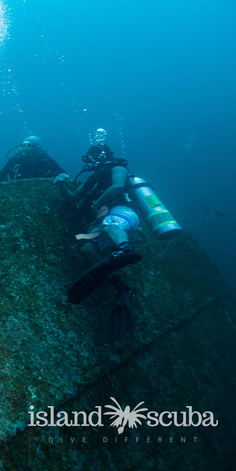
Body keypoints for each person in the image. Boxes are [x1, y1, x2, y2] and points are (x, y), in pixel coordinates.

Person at [53, 142, 142, 340]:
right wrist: (60, 184)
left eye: (92, 156)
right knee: (85, 245)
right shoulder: (92, 179)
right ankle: (120, 286)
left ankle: (125, 248)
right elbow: (72, 199)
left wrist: (97, 203)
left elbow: (118, 186)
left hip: (124, 212)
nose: (90, 161)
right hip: (103, 221)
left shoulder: (117, 167)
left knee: (110, 224)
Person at [0, 136, 66, 183]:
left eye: (29, 146)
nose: (25, 149)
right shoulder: (16, 160)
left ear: (38, 148)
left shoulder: (47, 161)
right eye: (23, 146)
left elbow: (64, 175)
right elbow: (1, 177)